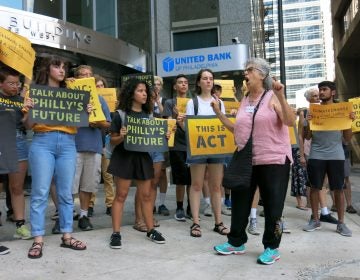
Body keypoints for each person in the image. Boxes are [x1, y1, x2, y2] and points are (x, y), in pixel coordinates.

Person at [212, 58, 295, 265]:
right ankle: (236, 241)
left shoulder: (272, 97)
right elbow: (238, 130)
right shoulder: (245, 100)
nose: (245, 74)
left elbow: (290, 121)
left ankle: (272, 247)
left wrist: (281, 96)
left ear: (263, 75)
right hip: (247, 160)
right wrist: (219, 114)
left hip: (273, 159)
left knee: (273, 206)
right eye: (245, 70)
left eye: (250, 70)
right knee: (240, 202)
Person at [28, 56, 88, 259]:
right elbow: (28, 125)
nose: (62, 70)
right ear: (48, 69)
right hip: (42, 141)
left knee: (65, 193)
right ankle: (38, 239)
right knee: (40, 192)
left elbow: (77, 125)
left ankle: (67, 236)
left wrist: (85, 113)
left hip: (68, 143)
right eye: (57, 66)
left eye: (64, 67)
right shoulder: (34, 92)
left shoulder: (71, 93)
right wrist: (28, 109)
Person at [108, 78, 165, 249]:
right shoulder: (120, 115)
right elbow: (113, 140)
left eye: (145, 91)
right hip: (124, 157)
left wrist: (165, 137)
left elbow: (156, 139)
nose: (144, 94)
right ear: (131, 93)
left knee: (146, 196)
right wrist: (122, 136)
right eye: (140, 91)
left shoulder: (149, 116)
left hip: (142, 158)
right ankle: (116, 233)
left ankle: (150, 229)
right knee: (121, 195)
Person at [302, 81, 354, 237]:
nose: (321, 92)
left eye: (324, 89)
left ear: (333, 92)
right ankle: (315, 220)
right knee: (315, 187)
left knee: (338, 188)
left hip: (336, 155)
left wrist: (349, 122)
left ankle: (341, 223)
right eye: (320, 90)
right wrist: (308, 123)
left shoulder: (341, 111)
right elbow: (307, 137)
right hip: (316, 154)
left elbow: (347, 138)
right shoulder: (314, 111)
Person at [185, 69, 229, 238]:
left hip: (217, 148)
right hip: (198, 149)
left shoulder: (219, 102)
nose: (208, 81)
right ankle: (196, 222)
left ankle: (218, 222)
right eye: (205, 78)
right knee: (196, 185)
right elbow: (189, 129)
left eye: (211, 78)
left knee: (216, 186)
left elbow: (224, 123)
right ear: (198, 82)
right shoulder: (192, 103)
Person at [71, 66, 111, 232]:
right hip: (72, 146)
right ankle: (66, 215)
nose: (87, 77)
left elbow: (108, 123)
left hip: (93, 146)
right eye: (83, 74)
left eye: (89, 75)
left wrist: (97, 122)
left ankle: (84, 215)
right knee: (70, 185)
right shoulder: (70, 96)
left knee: (88, 185)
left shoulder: (99, 100)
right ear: (76, 78)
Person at [0, 66, 32, 240]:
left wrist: (28, 112)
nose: (15, 86)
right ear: (1, 84)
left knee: (17, 187)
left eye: (17, 83)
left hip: (18, 141)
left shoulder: (22, 100)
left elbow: (28, 126)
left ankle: (20, 224)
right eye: (11, 83)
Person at [298, 88, 337, 224]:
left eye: (317, 95)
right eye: (314, 96)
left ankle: (323, 211)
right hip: (311, 152)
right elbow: (301, 135)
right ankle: (317, 212)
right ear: (309, 99)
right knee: (315, 184)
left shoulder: (324, 110)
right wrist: (302, 154)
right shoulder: (304, 112)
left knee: (323, 184)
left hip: (323, 150)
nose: (317, 98)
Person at [163, 74, 192, 221]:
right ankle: (180, 207)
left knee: (192, 180)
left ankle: (191, 207)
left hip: (192, 145)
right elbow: (168, 123)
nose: (183, 85)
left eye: (185, 82)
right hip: (177, 145)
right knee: (180, 179)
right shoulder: (169, 103)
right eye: (180, 82)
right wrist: (176, 117)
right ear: (175, 86)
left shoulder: (193, 103)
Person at [153, 76, 170, 215]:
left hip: (162, 140)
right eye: (154, 84)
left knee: (163, 172)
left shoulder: (165, 101)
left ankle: (162, 203)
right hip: (148, 141)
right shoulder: (145, 101)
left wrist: (158, 102)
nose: (156, 86)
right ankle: (150, 203)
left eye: (158, 84)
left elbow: (167, 118)